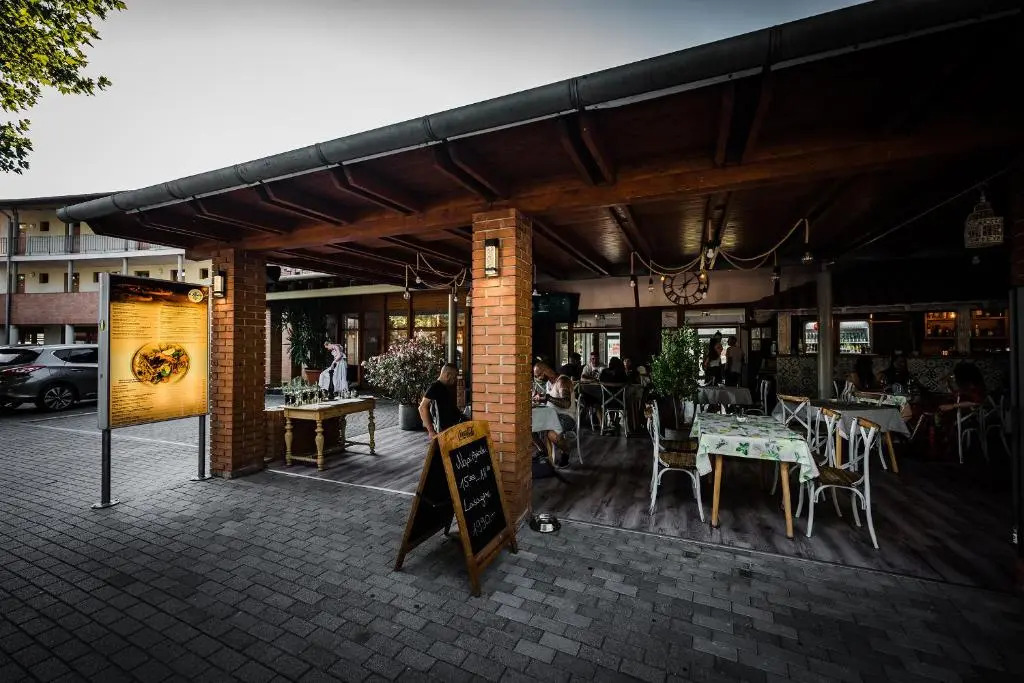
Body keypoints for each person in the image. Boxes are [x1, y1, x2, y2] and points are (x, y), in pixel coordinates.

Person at [419, 364, 464, 439]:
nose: (455, 379)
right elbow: (422, 408)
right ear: (448, 375)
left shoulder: (445, 387)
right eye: (455, 376)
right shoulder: (434, 387)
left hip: (450, 429)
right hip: (441, 432)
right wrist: (431, 431)